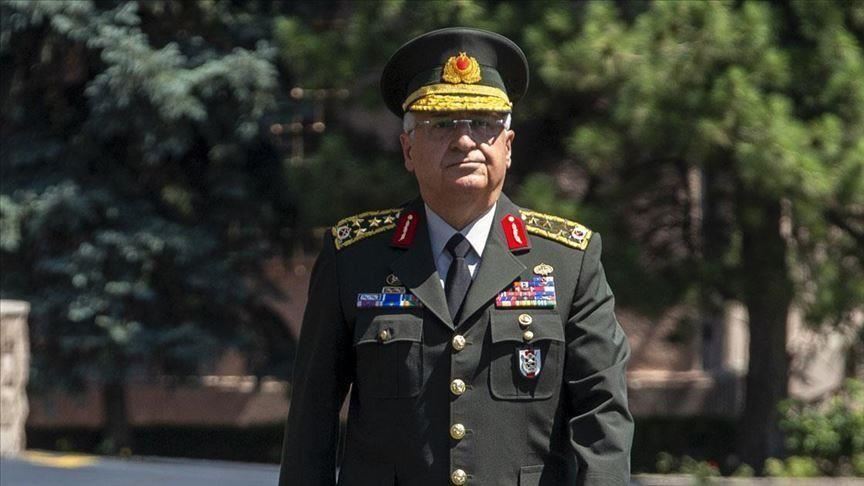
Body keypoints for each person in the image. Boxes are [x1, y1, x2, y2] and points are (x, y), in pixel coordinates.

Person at [278, 27, 633, 486]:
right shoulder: (354, 258)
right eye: (442, 123)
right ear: (408, 149)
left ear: (508, 146)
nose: (465, 141)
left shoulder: (569, 261)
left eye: (484, 123)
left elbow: (602, 417)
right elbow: (311, 422)